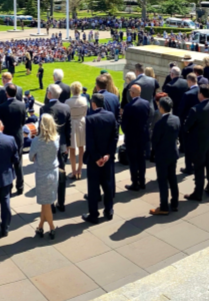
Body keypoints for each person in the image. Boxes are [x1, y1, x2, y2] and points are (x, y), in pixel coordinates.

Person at [83, 93, 118, 224]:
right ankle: (109, 210)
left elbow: (90, 142)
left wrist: (97, 158)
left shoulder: (90, 119)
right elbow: (114, 137)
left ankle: (94, 215)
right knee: (107, 185)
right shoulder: (111, 116)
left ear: (93, 104)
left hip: (94, 160)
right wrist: (108, 154)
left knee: (93, 188)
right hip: (107, 159)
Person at [183, 85, 209, 201]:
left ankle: (198, 193)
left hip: (199, 142)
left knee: (199, 167)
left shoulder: (195, 109)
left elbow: (186, 127)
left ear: (201, 94)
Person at [29, 114, 59, 239]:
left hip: (42, 173)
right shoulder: (56, 138)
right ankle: (40, 226)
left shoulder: (37, 141)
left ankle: (52, 227)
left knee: (46, 203)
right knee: (45, 203)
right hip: (53, 171)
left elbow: (31, 157)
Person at [150, 97, 181, 215]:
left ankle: (164, 206)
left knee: (163, 181)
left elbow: (155, 141)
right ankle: (175, 203)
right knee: (172, 178)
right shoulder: (176, 119)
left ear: (161, 108)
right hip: (173, 153)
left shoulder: (160, 124)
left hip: (162, 156)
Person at [0, 84, 27, 194]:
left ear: (6, 93)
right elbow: (23, 121)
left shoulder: (2, 107)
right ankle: (20, 186)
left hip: (6, 138)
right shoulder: (22, 105)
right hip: (18, 137)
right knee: (18, 163)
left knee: (7, 164)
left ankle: (9, 186)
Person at [122, 85, 152, 191]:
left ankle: (135, 183)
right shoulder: (146, 103)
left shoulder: (129, 107)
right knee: (141, 160)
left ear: (133, 93)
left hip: (131, 138)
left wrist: (127, 132)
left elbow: (124, 125)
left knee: (133, 161)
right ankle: (142, 182)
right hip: (143, 137)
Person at [65, 82, 88, 181]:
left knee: (72, 149)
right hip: (82, 124)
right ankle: (79, 170)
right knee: (81, 148)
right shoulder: (84, 100)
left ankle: (74, 171)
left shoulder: (67, 101)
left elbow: (66, 115)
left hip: (72, 124)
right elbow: (85, 113)